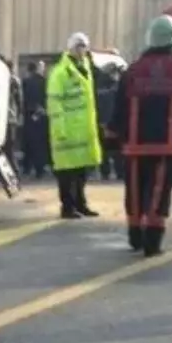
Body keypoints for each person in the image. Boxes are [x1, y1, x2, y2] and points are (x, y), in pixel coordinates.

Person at [107, 15, 172, 257]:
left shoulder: (133, 70)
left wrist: (112, 137)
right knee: (159, 191)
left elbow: (119, 107)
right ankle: (152, 241)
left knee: (135, 190)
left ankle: (135, 235)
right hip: (166, 146)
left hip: (134, 145)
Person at [46, 33, 103, 219]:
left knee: (81, 173)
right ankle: (67, 207)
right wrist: (60, 131)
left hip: (82, 132)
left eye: (85, 46)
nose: (82, 50)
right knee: (66, 174)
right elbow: (55, 103)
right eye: (79, 46)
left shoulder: (84, 68)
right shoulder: (60, 72)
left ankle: (81, 204)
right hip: (67, 133)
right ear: (70, 48)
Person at [21, 61, 49, 179]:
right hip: (42, 115)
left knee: (29, 142)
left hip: (29, 115)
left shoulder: (25, 82)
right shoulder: (45, 82)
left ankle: (27, 168)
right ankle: (40, 169)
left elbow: (23, 99)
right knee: (41, 144)